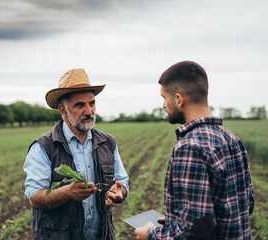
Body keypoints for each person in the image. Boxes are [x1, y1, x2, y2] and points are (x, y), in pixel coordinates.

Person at [135, 61, 254, 239]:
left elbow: (193, 230)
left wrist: (150, 234)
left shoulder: (189, 147)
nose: (163, 105)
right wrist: (175, 219)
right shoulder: (233, 139)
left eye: (164, 98)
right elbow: (247, 203)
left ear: (178, 99)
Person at [23, 68, 129, 240]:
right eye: (80, 105)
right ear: (63, 110)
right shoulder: (44, 147)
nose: (89, 111)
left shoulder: (108, 142)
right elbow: (34, 198)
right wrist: (67, 192)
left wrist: (120, 193)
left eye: (92, 103)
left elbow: (122, 183)